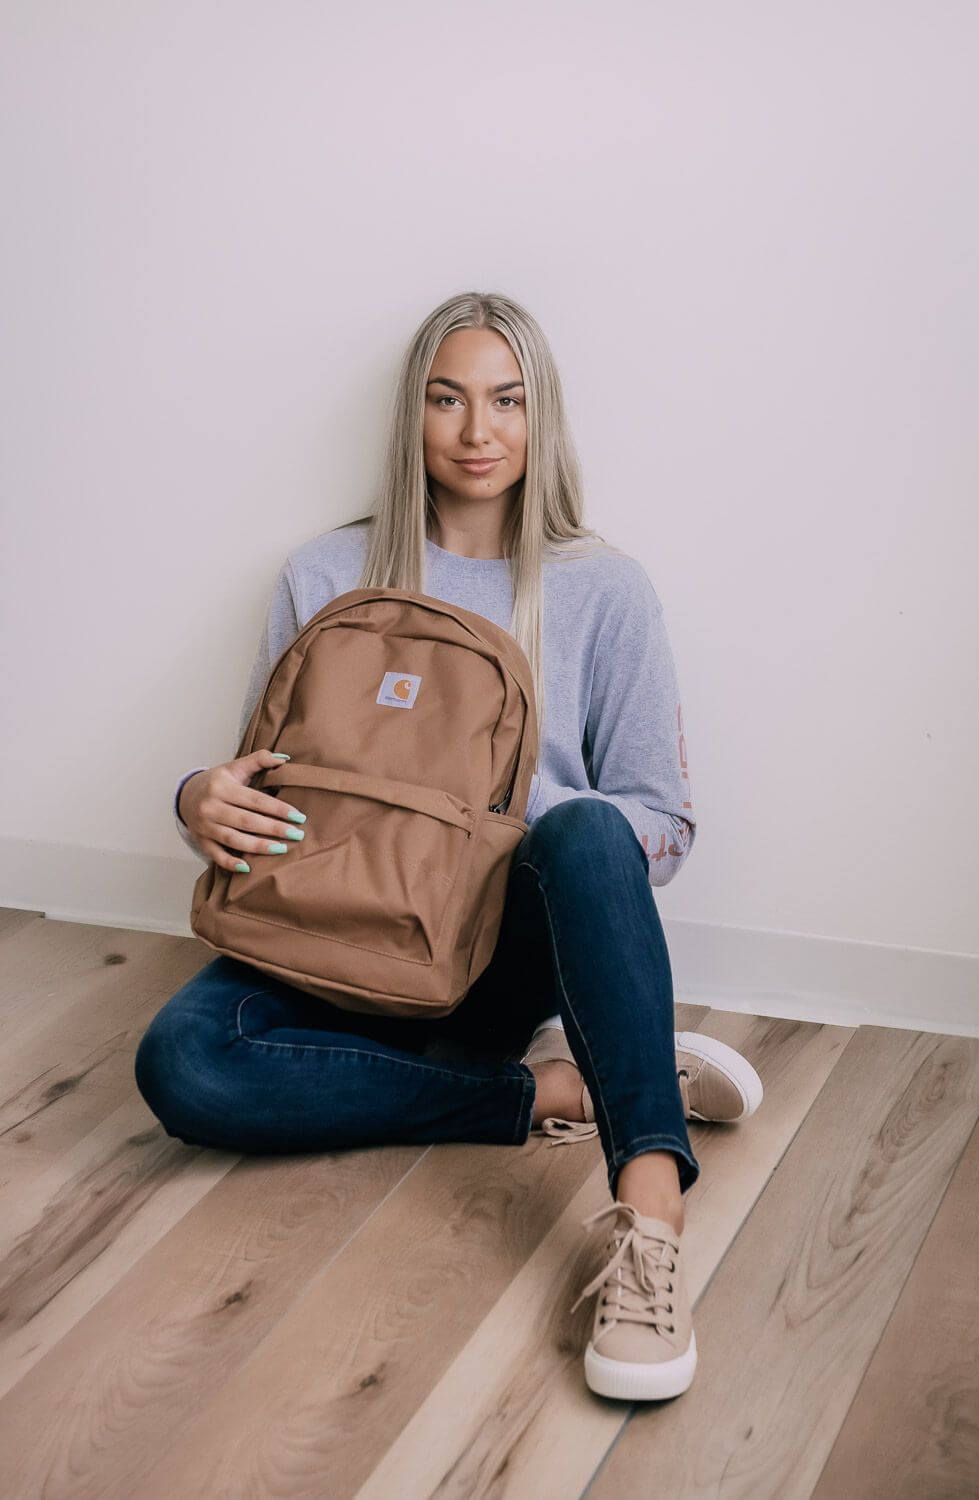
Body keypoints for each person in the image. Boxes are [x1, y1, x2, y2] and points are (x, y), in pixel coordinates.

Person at [135, 290, 763, 1403]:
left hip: (487, 954)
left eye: (508, 401)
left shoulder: (602, 590)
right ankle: (557, 1092)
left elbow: (660, 829)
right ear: (410, 418)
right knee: (181, 1064)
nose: (479, 431)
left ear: (542, 418)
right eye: (448, 399)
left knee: (584, 828)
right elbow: (266, 778)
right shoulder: (324, 577)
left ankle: (651, 1216)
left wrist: (508, 833)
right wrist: (197, 798)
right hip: (326, 936)